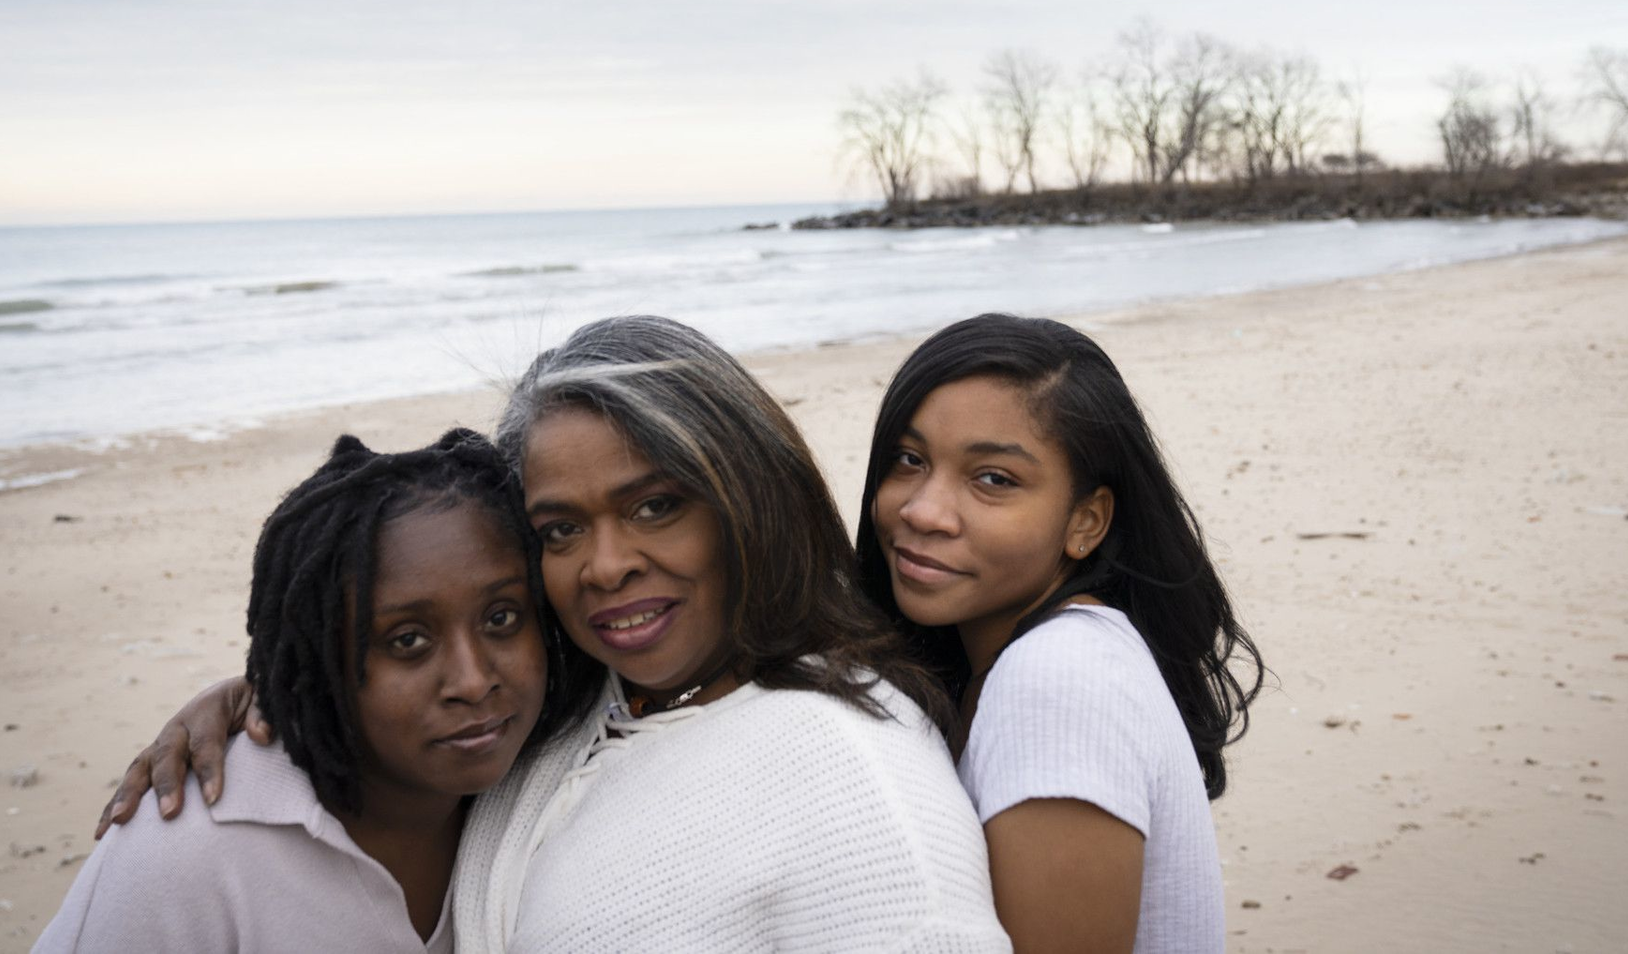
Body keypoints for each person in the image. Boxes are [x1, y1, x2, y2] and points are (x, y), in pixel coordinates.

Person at [96, 316, 1010, 953]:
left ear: (749, 500)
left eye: (654, 506)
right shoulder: (572, 704)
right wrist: (267, 686)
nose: (604, 566)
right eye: (560, 529)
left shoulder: (862, 786)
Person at [37, 429, 557, 952]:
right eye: (408, 640)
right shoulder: (183, 854)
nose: (473, 681)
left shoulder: (549, 780)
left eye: (502, 617)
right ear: (321, 655)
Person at [853, 313, 1264, 954]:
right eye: (910, 460)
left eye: (993, 479)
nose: (922, 510)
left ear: (1086, 521)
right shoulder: (1044, 655)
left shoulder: (1057, 681)